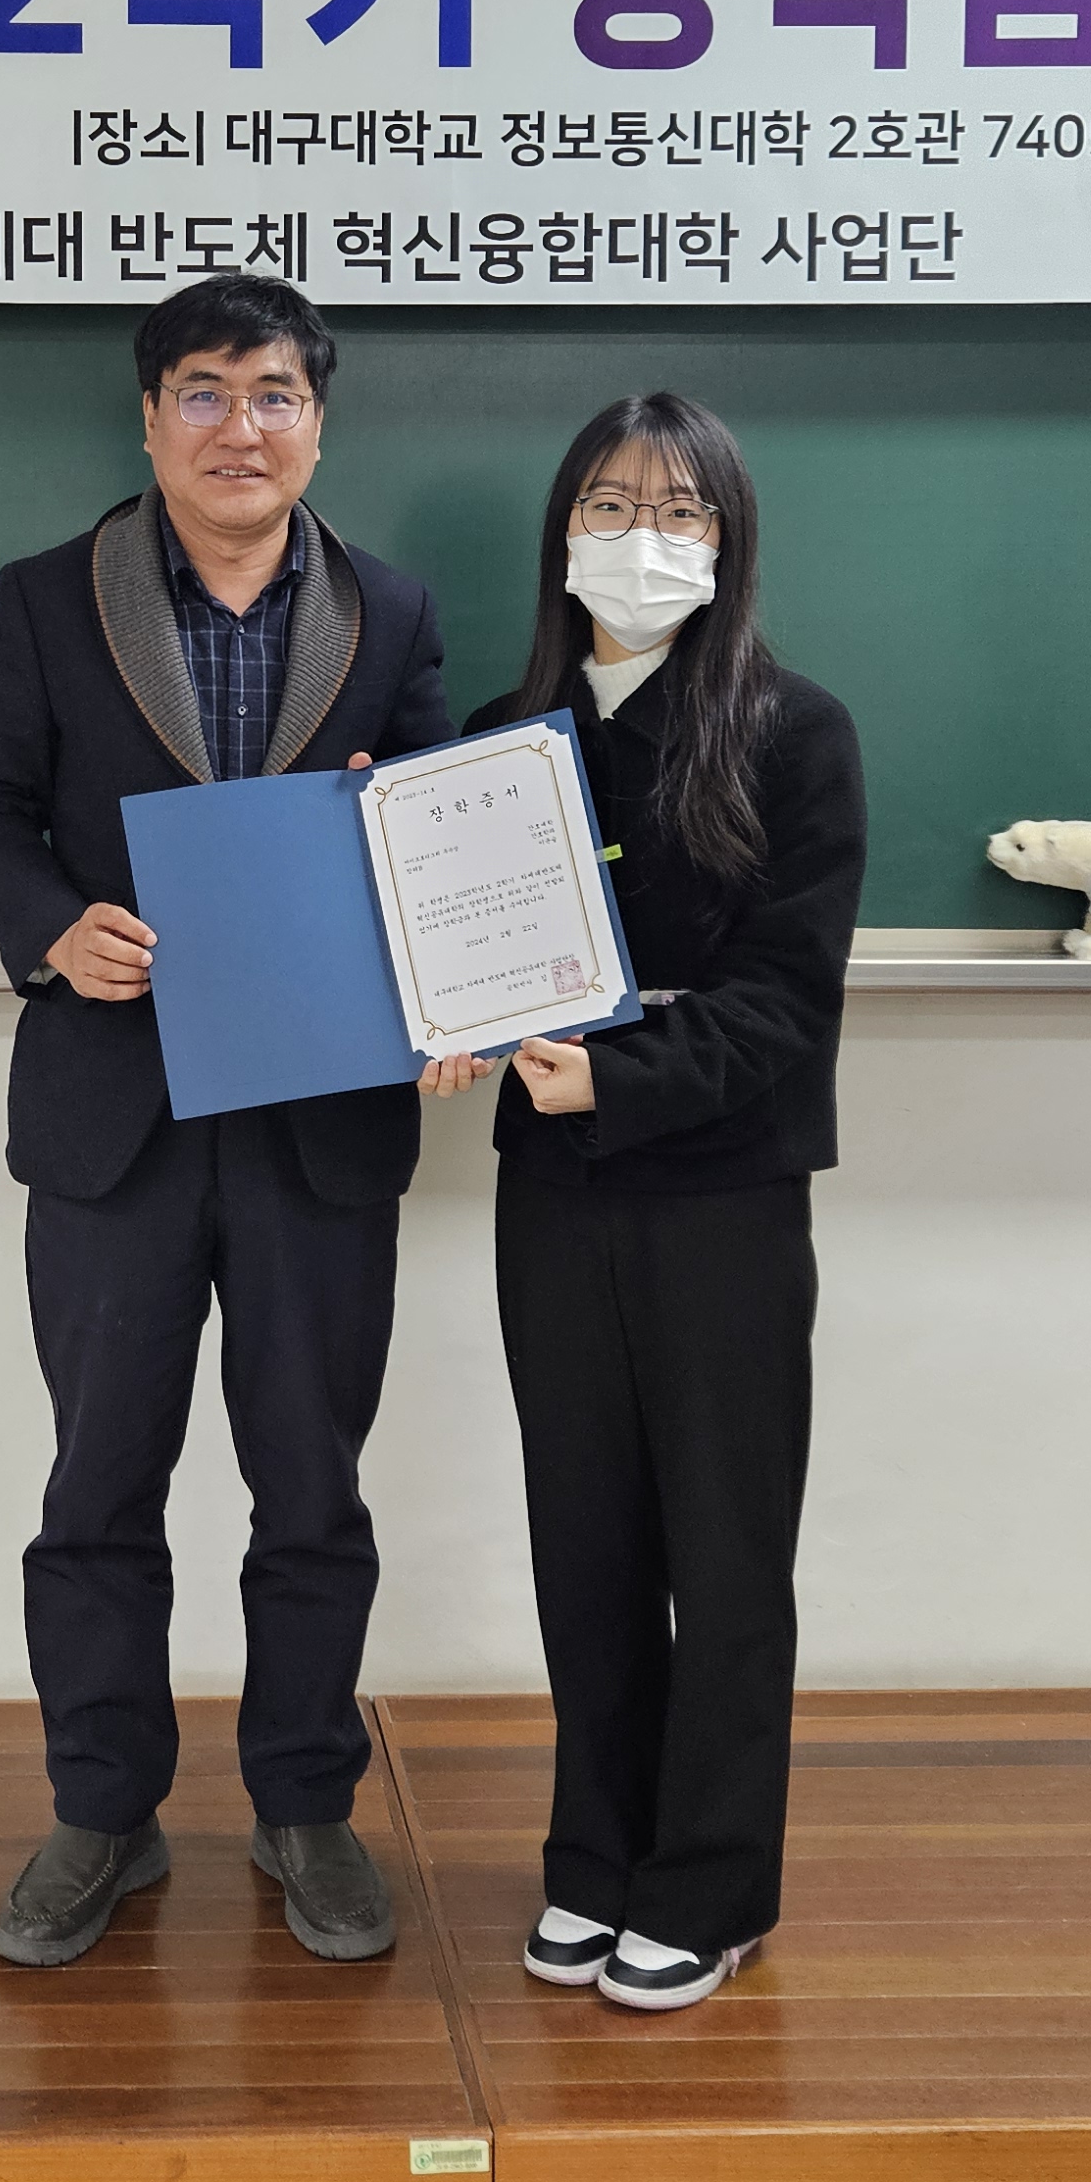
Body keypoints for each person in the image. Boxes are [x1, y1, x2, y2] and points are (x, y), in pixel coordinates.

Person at [0, 273, 452, 1969]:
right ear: (151, 418)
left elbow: (443, 838)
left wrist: (424, 914)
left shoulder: (389, 611)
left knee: (312, 1490)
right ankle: (102, 1813)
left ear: (320, 423)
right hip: (117, 1119)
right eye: (208, 393)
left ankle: (305, 1805)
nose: (244, 427)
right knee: (100, 1487)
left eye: (277, 394)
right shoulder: (46, 599)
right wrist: (48, 929)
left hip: (320, 1122)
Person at [419, 392, 866, 2014]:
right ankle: (594, 1862)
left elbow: (788, 996)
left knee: (725, 1548)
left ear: (726, 541)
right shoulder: (500, 736)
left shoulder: (795, 730)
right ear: (563, 531)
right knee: (586, 1537)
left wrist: (622, 1080)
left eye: (681, 510)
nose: (642, 537)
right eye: (610, 504)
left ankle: (710, 1885)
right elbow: (458, 948)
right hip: (553, 1190)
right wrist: (440, 1024)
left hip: (722, 1186)